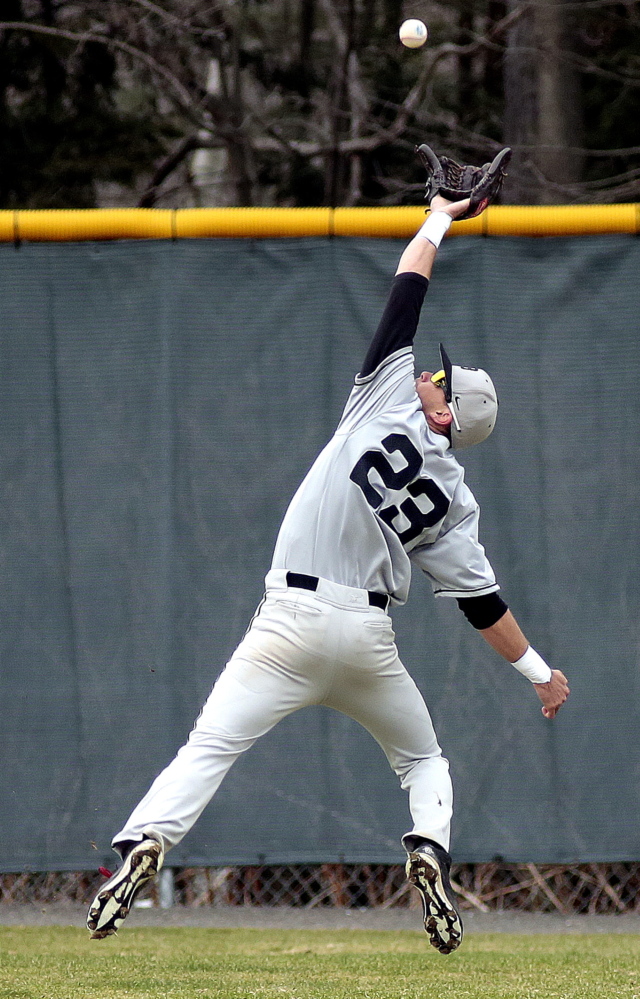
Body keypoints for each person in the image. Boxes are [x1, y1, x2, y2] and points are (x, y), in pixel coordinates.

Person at [87, 193, 570, 952]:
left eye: (444, 384)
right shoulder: (456, 503)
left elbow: (407, 291)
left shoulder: (382, 396)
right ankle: (430, 849)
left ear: (447, 417)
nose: (434, 379)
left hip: (286, 625)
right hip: (367, 638)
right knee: (424, 759)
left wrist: (440, 217)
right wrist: (540, 673)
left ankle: (142, 843)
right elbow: (484, 605)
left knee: (207, 748)